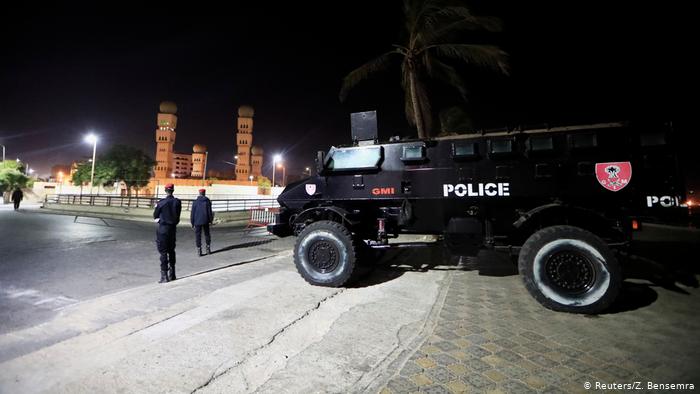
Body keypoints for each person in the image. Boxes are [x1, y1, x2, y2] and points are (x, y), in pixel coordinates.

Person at [153, 183, 182, 283]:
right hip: (172, 229)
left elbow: (155, 215)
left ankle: (164, 275)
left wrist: (160, 221)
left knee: (163, 252)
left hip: (163, 230)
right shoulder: (177, 202)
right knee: (172, 251)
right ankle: (172, 273)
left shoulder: (161, 203)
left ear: (165, 190)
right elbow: (177, 216)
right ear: (173, 190)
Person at [191, 188, 214, 256]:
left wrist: (192, 222)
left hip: (197, 221)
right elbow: (209, 212)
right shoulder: (207, 201)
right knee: (207, 234)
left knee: (198, 235)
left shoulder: (195, 202)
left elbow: (193, 213)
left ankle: (199, 250)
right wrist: (211, 220)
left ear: (199, 193)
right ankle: (208, 248)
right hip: (206, 220)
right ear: (204, 193)